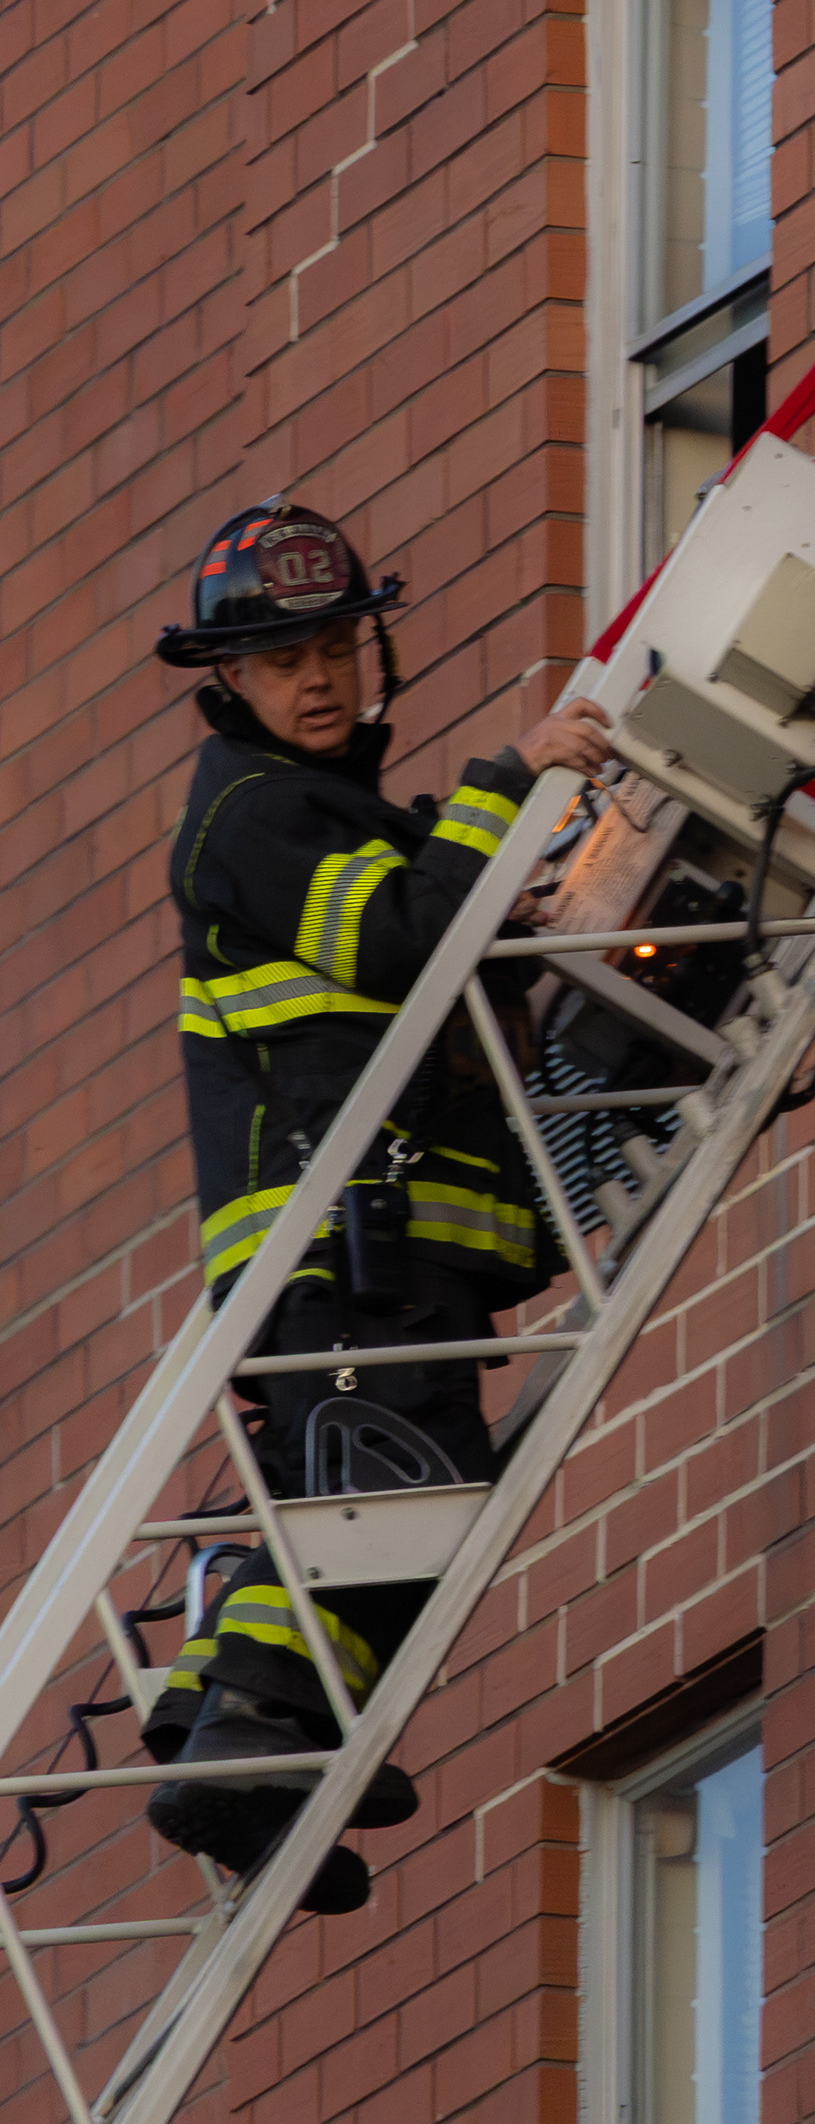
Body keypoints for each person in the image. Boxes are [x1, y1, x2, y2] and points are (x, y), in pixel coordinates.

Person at [138, 502, 612, 1910]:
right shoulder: (255, 814)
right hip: (345, 1249)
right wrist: (505, 781)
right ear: (230, 683)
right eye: (286, 660)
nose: (323, 678)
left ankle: (243, 1744)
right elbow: (405, 943)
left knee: (375, 1498)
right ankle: (253, 1736)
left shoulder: (339, 814)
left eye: (340, 643)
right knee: (402, 1496)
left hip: (382, 1251)